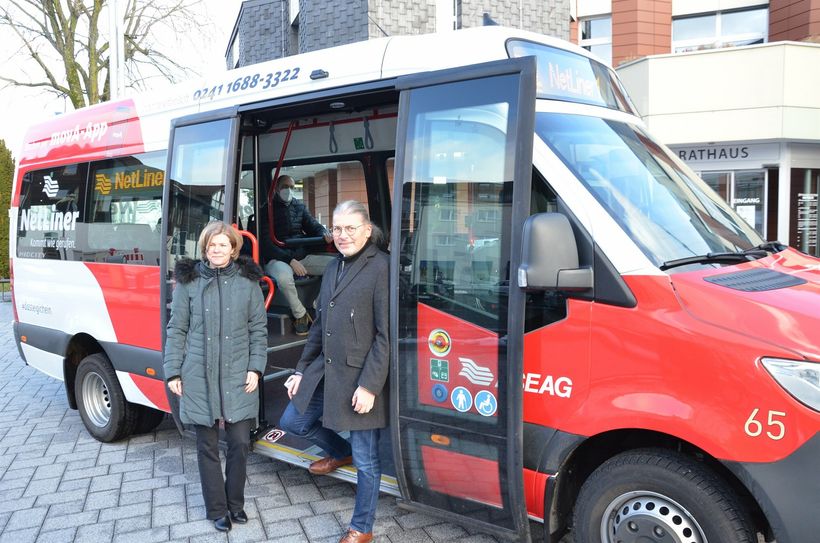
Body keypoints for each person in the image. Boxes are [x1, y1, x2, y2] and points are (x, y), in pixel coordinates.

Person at [279, 200, 389, 543]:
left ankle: (362, 528)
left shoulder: (381, 267)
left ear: (367, 230)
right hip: (325, 369)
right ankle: (339, 453)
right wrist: (300, 370)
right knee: (291, 422)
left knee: (367, 461)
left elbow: (386, 336)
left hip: (361, 377)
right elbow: (319, 327)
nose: (341, 235)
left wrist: (370, 387)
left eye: (350, 228)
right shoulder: (332, 267)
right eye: (337, 229)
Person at [163, 221, 268, 533]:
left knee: (239, 443)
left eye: (223, 245)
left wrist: (255, 368)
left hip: (239, 374)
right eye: (212, 245)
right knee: (206, 446)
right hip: (198, 375)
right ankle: (217, 509)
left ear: (233, 248)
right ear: (205, 249)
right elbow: (176, 329)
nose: (217, 250)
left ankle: (236, 504)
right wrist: (173, 371)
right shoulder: (189, 283)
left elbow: (258, 331)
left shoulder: (248, 284)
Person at [259, 174, 335, 335]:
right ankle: (300, 315)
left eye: (292, 187)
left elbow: (314, 226)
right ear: (276, 189)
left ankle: (318, 304)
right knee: (284, 279)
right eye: (285, 187)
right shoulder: (266, 210)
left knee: (336, 265)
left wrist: (324, 234)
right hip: (277, 258)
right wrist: (290, 260)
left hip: (301, 256)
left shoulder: (299, 207)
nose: (289, 190)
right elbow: (266, 244)